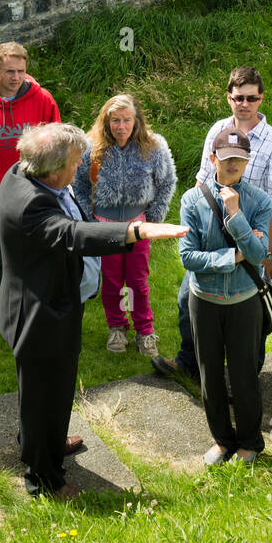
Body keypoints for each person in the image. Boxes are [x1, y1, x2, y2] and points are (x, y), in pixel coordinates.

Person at [0, 122, 186, 498]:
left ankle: (44, 440)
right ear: (51, 170)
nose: (80, 167)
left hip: (53, 302)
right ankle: (44, 478)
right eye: (74, 162)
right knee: (43, 394)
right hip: (40, 316)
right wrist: (137, 232)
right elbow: (73, 235)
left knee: (49, 389)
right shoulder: (32, 203)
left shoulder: (22, 171)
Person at [152, 65, 272, 382]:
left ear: (261, 99)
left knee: (250, 312)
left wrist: (269, 254)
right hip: (211, 236)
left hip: (250, 238)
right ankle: (189, 359)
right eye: (239, 97)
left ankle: (248, 374)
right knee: (188, 299)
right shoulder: (217, 131)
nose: (245, 104)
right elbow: (203, 183)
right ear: (229, 98)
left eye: (252, 98)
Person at [180, 128, 272, 466]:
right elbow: (188, 258)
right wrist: (232, 257)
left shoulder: (259, 201)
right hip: (203, 300)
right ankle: (221, 439)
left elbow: (259, 252)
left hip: (243, 301)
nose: (233, 165)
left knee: (245, 374)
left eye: (240, 160)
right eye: (227, 158)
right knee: (210, 376)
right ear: (213, 158)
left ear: (247, 163)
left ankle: (250, 441)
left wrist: (235, 214)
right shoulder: (192, 199)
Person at [0, 41, 60, 327]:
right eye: (9, 71)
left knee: (38, 259)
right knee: (5, 263)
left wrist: (47, 188)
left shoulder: (43, 101)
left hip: (35, 201)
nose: (16, 77)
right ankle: (11, 317)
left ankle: (41, 315)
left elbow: (57, 149)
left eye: (21, 71)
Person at [71, 94, 176, 357]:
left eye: (127, 120)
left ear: (136, 120)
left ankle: (145, 330)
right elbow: (79, 185)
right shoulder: (91, 147)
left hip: (137, 224)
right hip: (104, 225)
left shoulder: (153, 147)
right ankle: (117, 327)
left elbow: (166, 182)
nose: (121, 126)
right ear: (106, 122)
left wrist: (153, 217)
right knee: (112, 280)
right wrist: (90, 221)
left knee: (138, 280)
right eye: (115, 120)